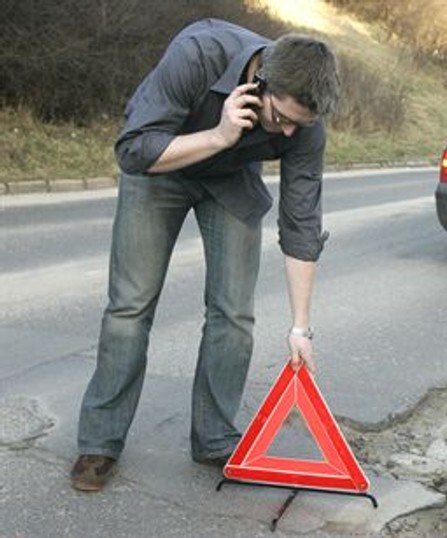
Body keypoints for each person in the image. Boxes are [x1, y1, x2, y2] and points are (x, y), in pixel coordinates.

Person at [70, 18, 340, 492]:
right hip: (163, 163)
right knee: (130, 307)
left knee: (234, 314)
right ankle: (99, 442)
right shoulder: (199, 52)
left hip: (231, 180)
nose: (291, 134)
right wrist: (218, 135)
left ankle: (214, 437)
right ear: (259, 86)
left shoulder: (304, 127)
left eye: (304, 125)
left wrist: (301, 327)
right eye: (283, 120)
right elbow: (133, 150)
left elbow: (301, 224)